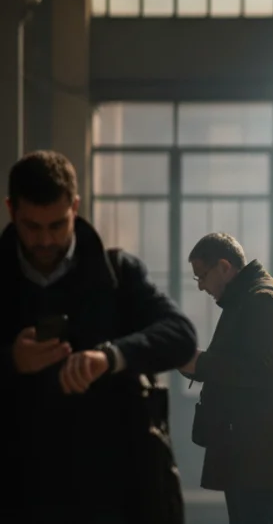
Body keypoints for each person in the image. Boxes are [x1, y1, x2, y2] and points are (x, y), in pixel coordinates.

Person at [0, 150, 198, 524]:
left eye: (57, 225)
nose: (45, 240)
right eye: (32, 227)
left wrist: (110, 357)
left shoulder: (117, 275)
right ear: (11, 209)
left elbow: (180, 334)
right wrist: (12, 360)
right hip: (16, 492)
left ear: (75, 207)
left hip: (108, 492)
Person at [180, 233, 273, 524]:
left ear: (224, 266)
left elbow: (262, 370)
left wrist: (202, 364)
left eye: (202, 276)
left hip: (256, 449)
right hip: (250, 447)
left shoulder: (262, 301)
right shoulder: (248, 299)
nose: (200, 286)